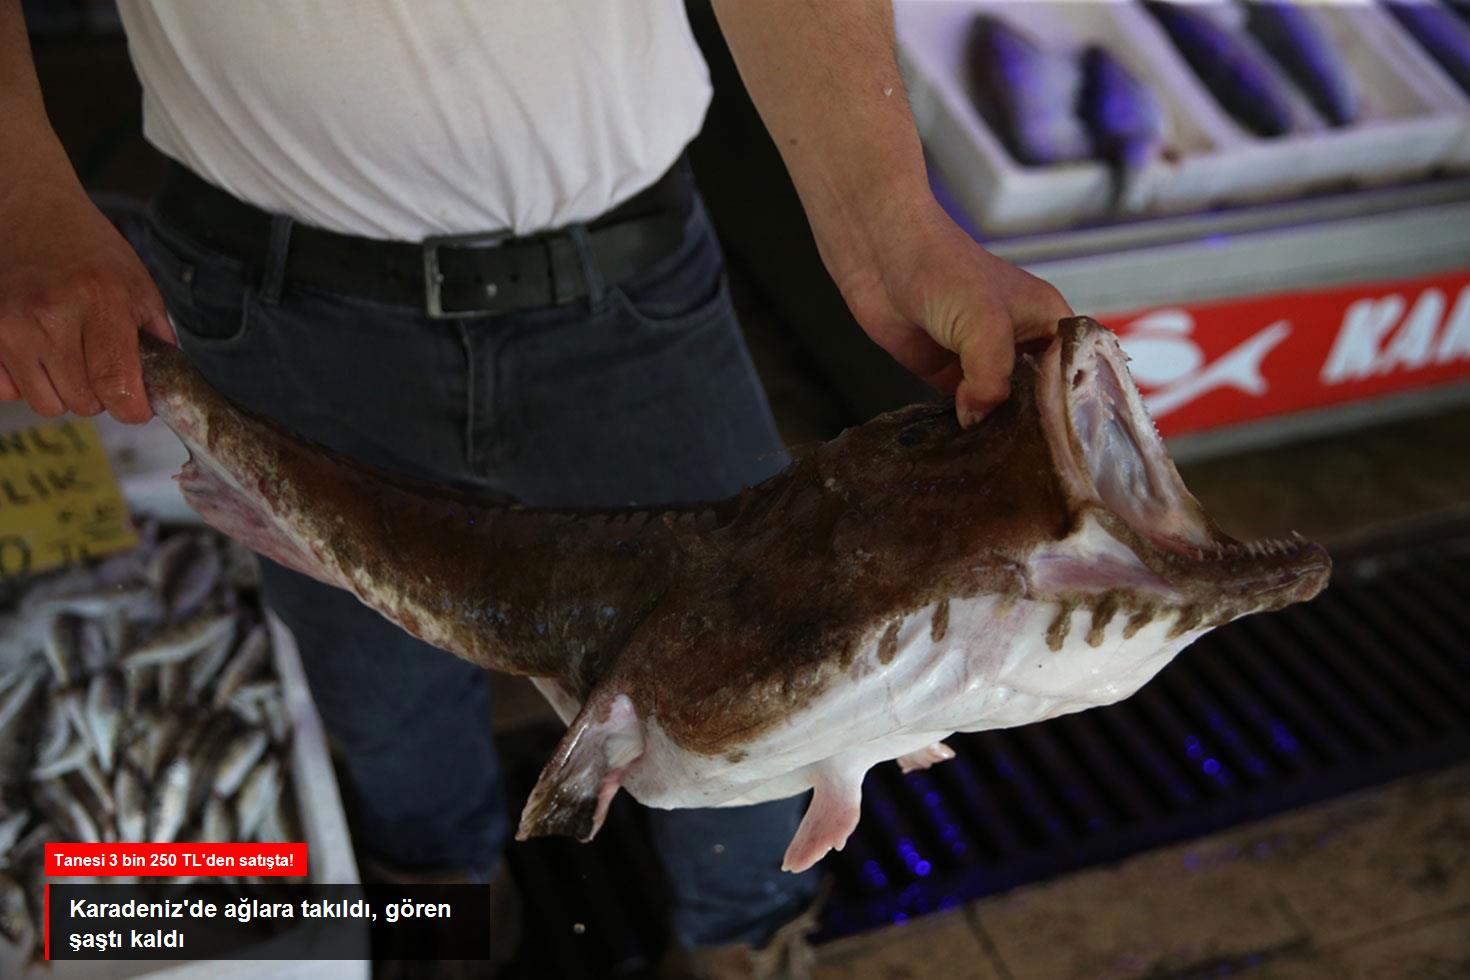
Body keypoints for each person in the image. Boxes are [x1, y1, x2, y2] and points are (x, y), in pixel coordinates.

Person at [0, 2, 1071, 976]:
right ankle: (448, 918)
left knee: (783, 710)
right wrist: (21, 187)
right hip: (267, 294)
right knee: (385, 711)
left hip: (630, 281)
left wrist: (896, 217)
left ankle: (744, 936)